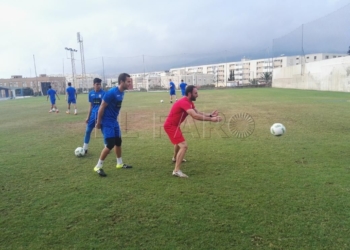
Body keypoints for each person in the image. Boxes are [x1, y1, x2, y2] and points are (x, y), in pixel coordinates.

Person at [163, 85, 222, 178]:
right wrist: (212, 120)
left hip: (175, 126)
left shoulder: (189, 102)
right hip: (171, 126)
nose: (197, 95)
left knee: (179, 143)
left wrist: (210, 115)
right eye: (195, 93)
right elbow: (195, 116)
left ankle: (175, 158)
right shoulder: (184, 102)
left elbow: (197, 112)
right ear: (189, 94)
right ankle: (176, 171)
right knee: (184, 146)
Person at [93, 73, 133, 177]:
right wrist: (98, 122)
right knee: (110, 144)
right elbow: (101, 107)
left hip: (114, 121)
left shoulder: (122, 92)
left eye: (130, 81)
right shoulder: (111, 93)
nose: (130, 83)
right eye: (128, 81)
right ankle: (98, 166)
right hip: (106, 121)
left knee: (118, 142)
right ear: (121, 82)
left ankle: (119, 163)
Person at [82, 78, 105, 154]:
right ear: (93, 85)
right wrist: (88, 117)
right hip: (92, 116)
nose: (98, 86)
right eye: (97, 84)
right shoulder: (90, 94)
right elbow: (91, 106)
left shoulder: (104, 93)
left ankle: (106, 147)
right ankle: (85, 148)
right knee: (88, 131)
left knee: (104, 131)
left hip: (102, 115)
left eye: (99, 84)